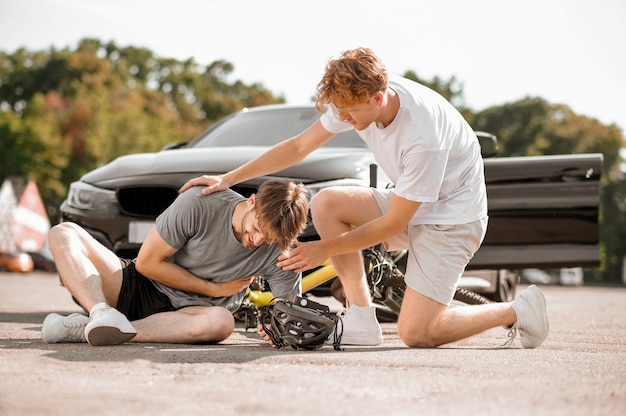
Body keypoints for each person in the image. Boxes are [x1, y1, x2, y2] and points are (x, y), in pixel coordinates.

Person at [179, 47, 549, 349]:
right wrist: (229, 178)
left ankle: (516, 310)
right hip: (410, 201)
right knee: (327, 203)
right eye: (339, 111)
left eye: (350, 112)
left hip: (451, 221)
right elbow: (298, 146)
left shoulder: (423, 138)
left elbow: (394, 225)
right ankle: (361, 319)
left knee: (418, 333)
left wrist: (324, 250)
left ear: (378, 97)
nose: (343, 119)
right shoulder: (353, 99)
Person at [42, 179, 309, 346]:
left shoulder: (280, 249)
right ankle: (100, 313)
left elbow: (289, 313)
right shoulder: (199, 203)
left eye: (268, 238)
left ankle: (96, 330)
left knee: (222, 323)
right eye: (256, 228)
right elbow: (147, 264)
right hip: (141, 286)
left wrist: (277, 326)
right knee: (63, 232)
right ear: (252, 202)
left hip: (192, 316)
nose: (257, 239)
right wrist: (213, 289)